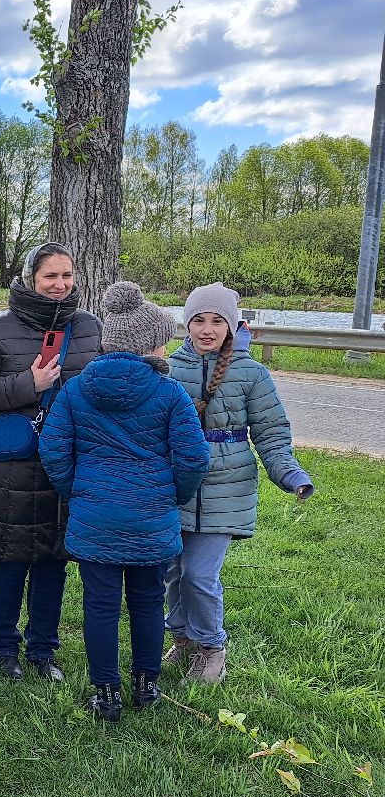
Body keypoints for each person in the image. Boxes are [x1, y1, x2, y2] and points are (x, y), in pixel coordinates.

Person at [38, 282, 209, 721]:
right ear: (150, 342)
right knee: (148, 601)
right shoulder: (169, 392)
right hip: (152, 515)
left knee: (99, 605)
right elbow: (193, 457)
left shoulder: (75, 390)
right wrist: (173, 495)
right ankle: (147, 686)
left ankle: (106, 692)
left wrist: (79, 491)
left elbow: (54, 451)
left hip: (95, 513)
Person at [0, 243, 102, 682]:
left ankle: (43, 649)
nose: (60, 286)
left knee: (54, 559)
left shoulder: (90, 327)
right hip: (13, 467)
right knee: (10, 557)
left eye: (67, 276)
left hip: (69, 462)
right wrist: (29, 383)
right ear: (30, 279)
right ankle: (3, 646)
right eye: (50, 278)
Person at [164, 282, 314, 684]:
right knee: (174, 573)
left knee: (199, 573)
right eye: (198, 320)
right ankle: (182, 642)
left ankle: (213, 648)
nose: (207, 329)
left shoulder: (252, 373)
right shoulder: (168, 369)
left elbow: (271, 432)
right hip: (175, 487)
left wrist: (290, 474)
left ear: (232, 325)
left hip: (227, 490)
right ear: (187, 323)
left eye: (217, 321)